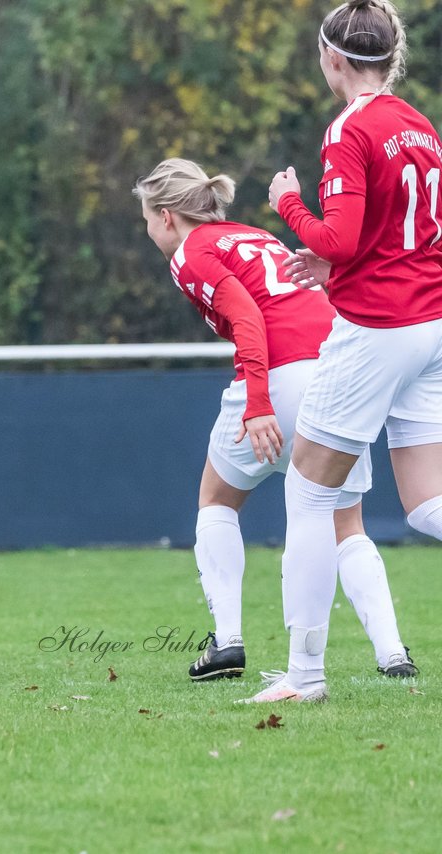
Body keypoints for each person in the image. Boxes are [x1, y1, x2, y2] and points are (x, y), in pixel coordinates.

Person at [134, 158, 415, 686]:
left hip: (282, 375)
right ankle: (392, 653)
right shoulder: (254, 234)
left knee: (216, 499)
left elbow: (247, 316)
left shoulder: (191, 252)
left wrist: (259, 403)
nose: (148, 230)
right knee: (345, 521)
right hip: (338, 370)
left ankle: (228, 642)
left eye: (147, 218)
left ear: (167, 216)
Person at [248, 0, 442, 703]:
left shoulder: (350, 128)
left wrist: (288, 204)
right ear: (392, 56)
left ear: (333, 58)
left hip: (380, 330)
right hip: (431, 324)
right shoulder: (420, 124)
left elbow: (339, 238)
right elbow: (403, 233)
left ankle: (305, 677)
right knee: (426, 506)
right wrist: (341, 266)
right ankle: (305, 673)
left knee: (307, 489)